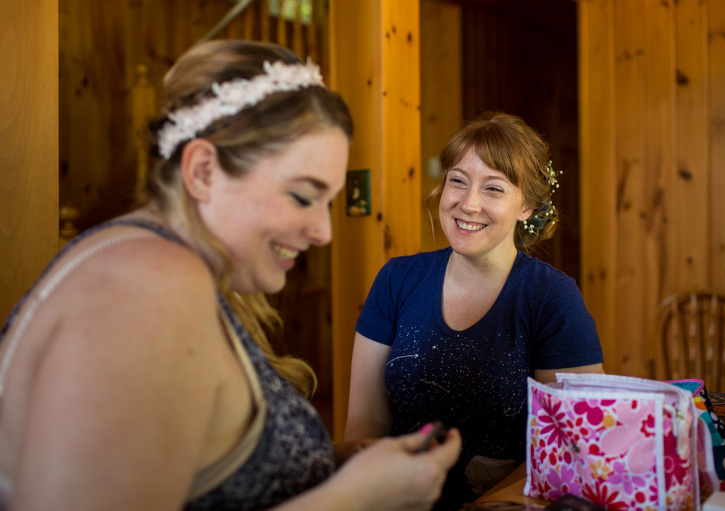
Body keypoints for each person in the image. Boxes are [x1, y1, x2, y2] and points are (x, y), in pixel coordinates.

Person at [0, 40, 460, 511]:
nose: (323, 231)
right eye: (303, 196)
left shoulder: (146, 261)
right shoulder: (145, 290)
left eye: (330, 202)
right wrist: (358, 498)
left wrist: (340, 461)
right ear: (202, 171)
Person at [345, 112, 604, 510]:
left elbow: (577, 445)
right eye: (458, 181)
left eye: (494, 189)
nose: (468, 203)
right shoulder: (397, 279)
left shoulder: (551, 298)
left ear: (528, 207)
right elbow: (365, 425)